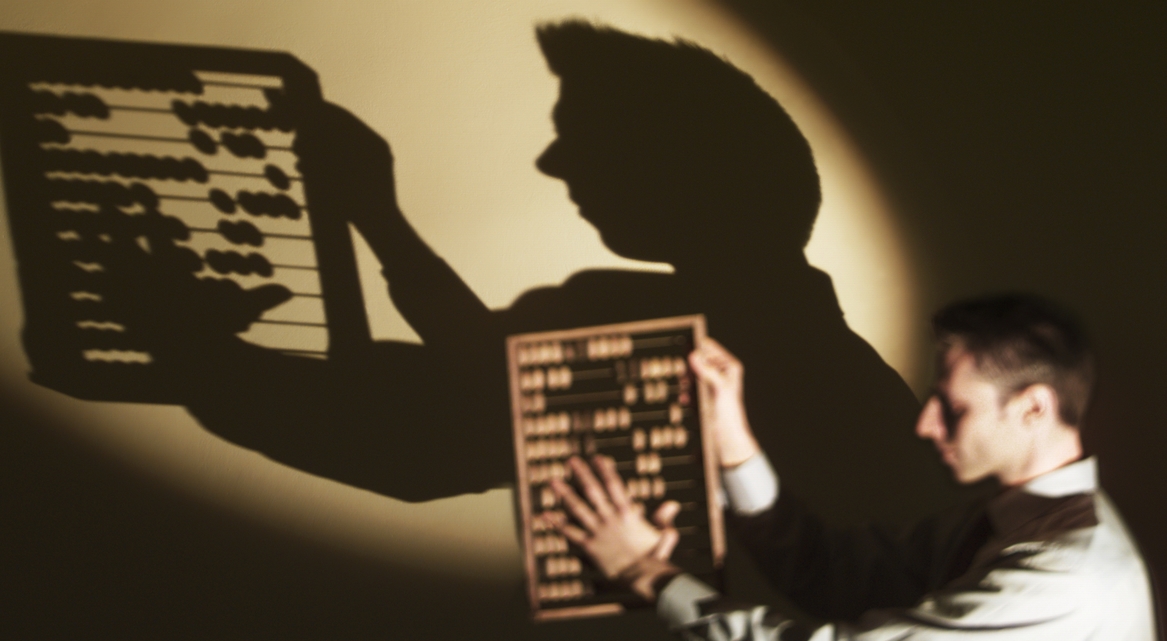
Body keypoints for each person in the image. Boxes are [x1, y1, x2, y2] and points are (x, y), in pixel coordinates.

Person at [170, 22, 958, 517]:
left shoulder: (734, 355)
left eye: (581, 133)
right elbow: (456, 391)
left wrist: (204, 361)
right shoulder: (792, 343)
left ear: (674, 166)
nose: (551, 161)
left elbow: (436, 427)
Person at [549, 293, 1157, 641]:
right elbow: (829, 572)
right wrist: (734, 447)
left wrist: (643, 570)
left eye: (951, 407)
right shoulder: (1009, 526)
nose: (924, 425)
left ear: (1033, 409)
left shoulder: (1067, 582)